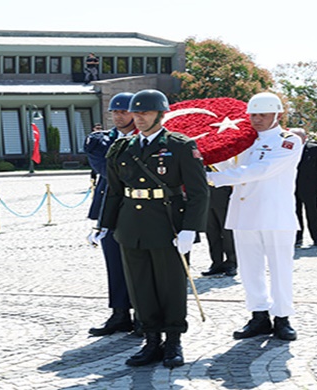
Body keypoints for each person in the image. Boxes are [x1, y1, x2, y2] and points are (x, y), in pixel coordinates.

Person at [100, 89, 209, 368]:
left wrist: (191, 229)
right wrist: (104, 225)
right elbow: (114, 192)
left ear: (161, 114)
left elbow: (198, 192)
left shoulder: (181, 145)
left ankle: (173, 340)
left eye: (145, 112)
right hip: (131, 226)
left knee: (170, 284)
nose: (139, 118)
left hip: (167, 225)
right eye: (136, 113)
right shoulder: (121, 148)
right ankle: (151, 340)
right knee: (140, 285)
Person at [206, 92, 302, 341]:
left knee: (281, 268)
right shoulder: (244, 141)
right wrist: (208, 160)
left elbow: (261, 170)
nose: (256, 119)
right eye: (253, 115)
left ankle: (282, 317)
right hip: (244, 213)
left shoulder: (288, 140)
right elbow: (231, 167)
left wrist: (213, 179)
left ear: (277, 115)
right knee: (250, 269)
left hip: (275, 215)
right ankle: (258, 315)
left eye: (263, 115)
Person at [85, 92, 139, 337]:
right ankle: (119, 314)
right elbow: (107, 170)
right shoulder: (100, 141)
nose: (118, 116)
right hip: (110, 210)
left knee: (142, 265)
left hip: (143, 210)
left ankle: (143, 314)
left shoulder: (149, 140)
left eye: (124, 111)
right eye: (115, 112)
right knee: (115, 264)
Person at [291, 127, 317, 247]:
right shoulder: (286, 149)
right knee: (294, 213)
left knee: (312, 213)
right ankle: (297, 238)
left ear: (305, 138)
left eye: (298, 137)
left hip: (311, 187)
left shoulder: (316, 149)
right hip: (291, 187)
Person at [201, 174, 237, 277]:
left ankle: (231, 263)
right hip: (206, 196)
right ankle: (216, 263)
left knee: (227, 232)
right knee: (211, 233)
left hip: (223, 195)